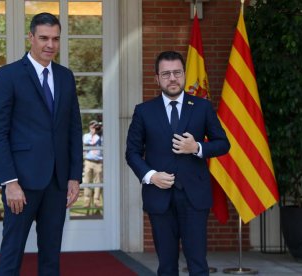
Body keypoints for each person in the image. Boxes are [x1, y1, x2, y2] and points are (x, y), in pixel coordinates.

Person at [0, 12, 83, 276]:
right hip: (22, 183)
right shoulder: (9, 75)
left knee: (51, 255)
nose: (49, 45)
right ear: (30, 37)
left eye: (55, 39)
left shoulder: (66, 77)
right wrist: (10, 182)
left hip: (56, 183)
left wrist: (74, 176)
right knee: (12, 253)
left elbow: (74, 129)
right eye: (43, 38)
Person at [126, 51, 230, 276]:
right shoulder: (143, 111)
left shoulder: (202, 107)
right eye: (166, 74)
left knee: (198, 264)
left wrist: (198, 148)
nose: (172, 78)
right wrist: (151, 175)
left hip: (194, 197)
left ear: (184, 74)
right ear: (157, 79)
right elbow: (132, 153)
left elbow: (223, 144)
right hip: (159, 197)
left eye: (176, 73)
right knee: (166, 266)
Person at [82, 120, 103, 208]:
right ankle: (86, 201)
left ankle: (96, 201)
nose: (95, 128)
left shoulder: (101, 136)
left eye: (96, 127)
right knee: (86, 181)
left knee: (98, 182)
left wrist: (100, 132)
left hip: (98, 162)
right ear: (90, 127)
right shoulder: (86, 136)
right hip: (88, 161)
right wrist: (92, 134)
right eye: (93, 126)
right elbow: (88, 142)